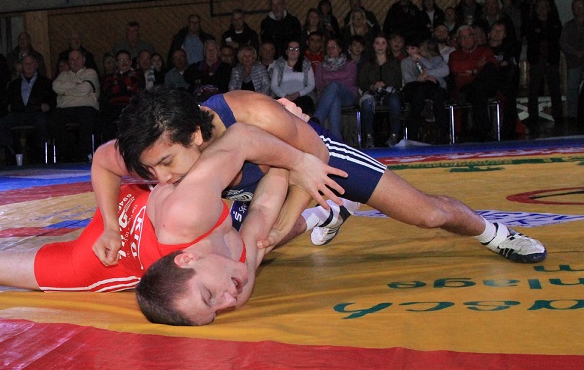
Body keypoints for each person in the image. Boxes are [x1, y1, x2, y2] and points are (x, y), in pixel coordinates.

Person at [105, 88, 547, 324]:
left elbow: (312, 159)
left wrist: (292, 211)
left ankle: (493, 233)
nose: (161, 178)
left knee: (428, 214)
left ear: (197, 137)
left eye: (166, 164)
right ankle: (325, 213)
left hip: (309, 158)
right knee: (245, 246)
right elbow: (102, 163)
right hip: (257, 181)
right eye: (150, 169)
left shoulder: (255, 114)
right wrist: (110, 224)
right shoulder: (158, 146)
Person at [0, 122, 332, 321]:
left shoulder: (190, 215)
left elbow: (247, 153)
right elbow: (262, 212)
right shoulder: (234, 273)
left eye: (212, 299)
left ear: (187, 260)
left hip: (104, 253)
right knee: (255, 217)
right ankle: (321, 214)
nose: (229, 299)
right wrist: (296, 154)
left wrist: (293, 151)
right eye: (217, 303)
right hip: (123, 229)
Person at [0, 55, 56, 163]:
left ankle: (41, 154)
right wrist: (9, 106)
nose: (29, 66)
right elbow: (6, 101)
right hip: (18, 114)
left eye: (31, 63)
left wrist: (47, 106)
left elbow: (52, 100)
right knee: (2, 123)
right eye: (26, 64)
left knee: (43, 122)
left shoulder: (46, 82)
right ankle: (12, 153)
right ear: (22, 66)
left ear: (36, 65)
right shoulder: (13, 84)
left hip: (37, 113)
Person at [448, 24, 501, 141]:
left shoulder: (485, 50)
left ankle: (482, 130)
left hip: (485, 86)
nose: (466, 40)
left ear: (474, 37)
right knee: (478, 91)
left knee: (488, 71)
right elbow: (456, 68)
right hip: (467, 89)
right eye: (462, 38)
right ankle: (483, 130)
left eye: (468, 36)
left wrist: (471, 71)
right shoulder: (454, 55)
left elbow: (493, 65)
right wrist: (477, 66)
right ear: (458, 41)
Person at [51, 49, 101, 162]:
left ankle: (85, 154)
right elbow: (55, 86)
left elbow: (86, 88)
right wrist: (77, 85)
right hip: (64, 109)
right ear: (69, 62)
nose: (75, 61)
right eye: (72, 59)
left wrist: (65, 92)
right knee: (54, 119)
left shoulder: (91, 73)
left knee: (86, 117)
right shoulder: (63, 74)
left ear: (83, 59)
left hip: (86, 108)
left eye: (78, 58)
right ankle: (64, 156)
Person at [358, 34, 403, 148]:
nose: (380, 46)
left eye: (383, 43)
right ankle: (369, 137)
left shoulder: (394, 62)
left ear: (387, 45)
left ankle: (394, 136)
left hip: (389, 92)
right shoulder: (367, 63)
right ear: (373, 45)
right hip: (372, 92)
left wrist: (384, 84)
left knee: (395, 101)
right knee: (367, 103)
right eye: (377, 43)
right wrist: (373, 86)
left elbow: (398, 81)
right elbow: (361, 82)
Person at [402, 37, 449, 142]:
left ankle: (441, 133)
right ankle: (414, 133)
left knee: (436, 94)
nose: (410, 51)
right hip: (416, 89)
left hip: (434, 89)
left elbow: (444, 71)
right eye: (407, 49)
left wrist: (427, 74)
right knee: (420, 93)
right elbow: (409, 80)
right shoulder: (406, 62)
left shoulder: (432, 59)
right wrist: (424, 78)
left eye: (413, 48)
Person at [524, 0, 563, 124]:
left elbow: (555, 37)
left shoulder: (555, 22)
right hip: (537, 59)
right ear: (536, 9)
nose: (542, 9)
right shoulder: (531, 23)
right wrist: (544, 34)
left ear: (549, 8)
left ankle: (558, 116)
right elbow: (531, 38)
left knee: (555, 88)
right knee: (534, 89)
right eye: (540, 7)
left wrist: (541, 33)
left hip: (552, 59)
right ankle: (533, 116)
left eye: (545, 6)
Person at [312, 37, 359, 140]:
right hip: (327, 97)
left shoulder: (350, 64)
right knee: (335, 99)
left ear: (340, 49)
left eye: (333, 47)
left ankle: (317, 118)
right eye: (328, 48)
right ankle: (337, 139)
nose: (330, 50)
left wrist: (329, 79)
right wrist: (341, 76)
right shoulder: (320, 66)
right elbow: (319, 85)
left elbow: (349, 82)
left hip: (348, 95)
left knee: (333, 86)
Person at [99, 50, 143, 139]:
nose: (124, 62)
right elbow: (108, 91)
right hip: (113, 107)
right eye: (121, 60)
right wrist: (127, 86)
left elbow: (136, 87)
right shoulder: (109, 77)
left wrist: (117, 84)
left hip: (131, 105)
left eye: (126, 59)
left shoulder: (138, 73)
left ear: (130, 61)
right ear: (116, 63)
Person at [269, 40, 314, 112]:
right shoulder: (279, 65)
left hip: (301, 97)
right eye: (290, 48)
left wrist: (299, 93)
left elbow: (311, 84)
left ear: (299, 52)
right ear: (286, 51)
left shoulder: (306, 65)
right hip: (282, 97)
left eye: (296, 49)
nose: (293, 51)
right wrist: (284, 95)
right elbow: (274, 85)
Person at [560, 0, 584, 121]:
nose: (579, 9)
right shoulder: (568, 25)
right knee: (573, 87)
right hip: (574, 61)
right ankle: (572, 115)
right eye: (576, 7)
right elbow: (563, 43)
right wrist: (575, 52)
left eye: (581, 6)